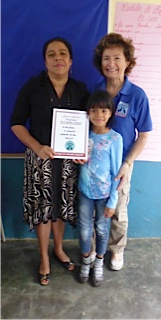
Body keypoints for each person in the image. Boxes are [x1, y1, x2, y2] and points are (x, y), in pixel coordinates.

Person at [10, 37, 89, 285]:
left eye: (63, 53)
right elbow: (16, 124)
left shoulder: (80, 90)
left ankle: (59, 249)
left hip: (68, 163)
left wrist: (82, 150)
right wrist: (37, 146)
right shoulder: (32, 87)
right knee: (43, 210)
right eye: (52, 54)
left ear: (71, 60)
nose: (58, 58)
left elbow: (90, 125)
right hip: (40, 160)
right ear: (45, 61)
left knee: (61, 208)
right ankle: (44, 257)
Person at [93, 33, 152, 271]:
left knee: (118, 211)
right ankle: (97, 248)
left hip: (121, 164)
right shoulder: (95, 91)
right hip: (95, 163)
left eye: (117, 57)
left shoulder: (137, 95)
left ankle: (116, 250)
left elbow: (144, 135)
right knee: (97, 207)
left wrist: (127, 163)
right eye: (106, 58)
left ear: (127, 61)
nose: (111, 63)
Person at [74, 90, 123, 286]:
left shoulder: (115, 139)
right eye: (93, 110)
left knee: (102, 230)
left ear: (110, 113)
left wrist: (113, 200)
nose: (98, 115)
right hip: (85, 192)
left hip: (104, 195)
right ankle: (87, 260)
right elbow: (79, 160)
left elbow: (117, 173)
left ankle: (99, 262)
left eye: (103, 110)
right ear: (87, 112)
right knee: (85, 231)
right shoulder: (82, 135)